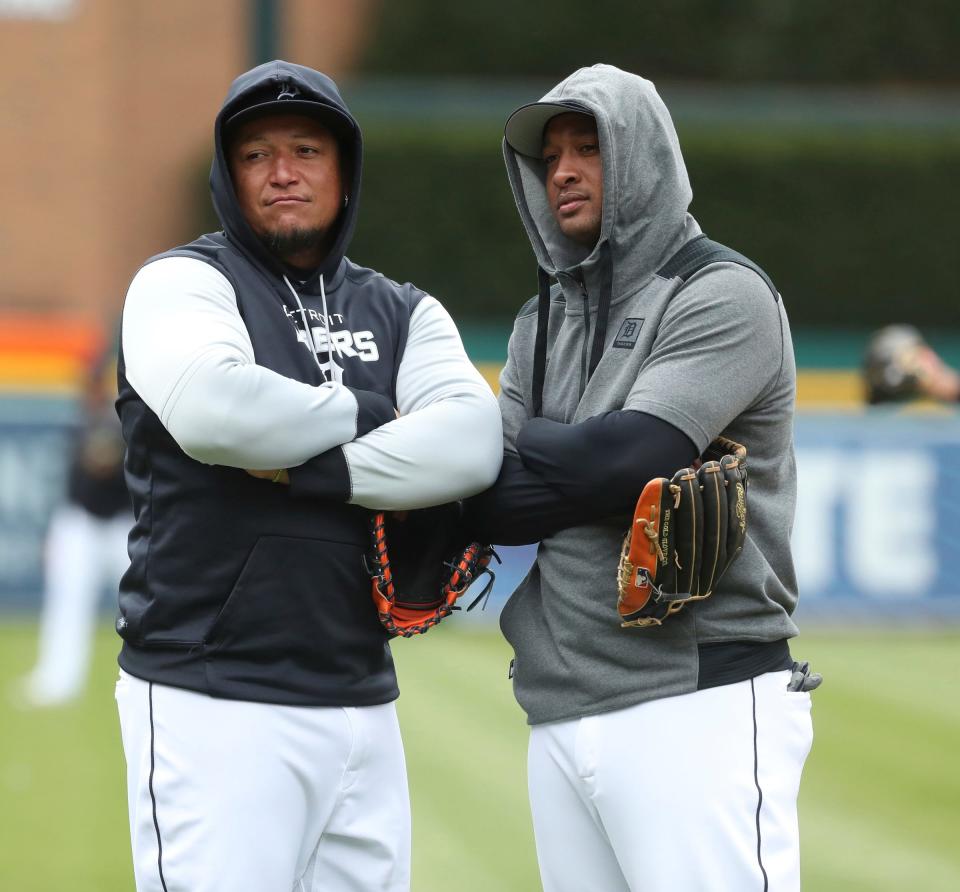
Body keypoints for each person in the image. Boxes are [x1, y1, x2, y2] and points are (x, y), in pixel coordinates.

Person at [113, 60, 502, 892]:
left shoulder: (402, 308)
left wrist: (303, 469)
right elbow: (215, 411)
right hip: (212, 695)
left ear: (345, 171)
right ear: (228, 173)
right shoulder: (182, 282)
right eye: (255, 155)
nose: (282, 173)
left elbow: (471, 443)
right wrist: (374, 413)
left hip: (362, 697)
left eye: (305, 150)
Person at [465, 64, 815, 891]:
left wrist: (553, 446)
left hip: (698, 696)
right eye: (550, 156)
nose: (564, 171)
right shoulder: (538, 319)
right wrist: (586, 460)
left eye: (588, 146)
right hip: (558, 701)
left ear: (642, 156)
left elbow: (635, 457)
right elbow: (497, 502)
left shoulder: (722, 292)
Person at [16, 334, 130, 707]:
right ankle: (58, 681)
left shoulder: (134, 419)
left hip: (125, 526)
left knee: (151, 604)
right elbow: (75, 479)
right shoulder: (83, 419)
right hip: (81, 523)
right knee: (67, 602)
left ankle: (164, 679)